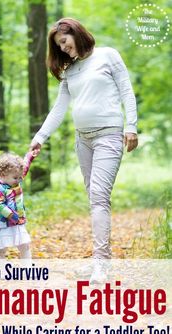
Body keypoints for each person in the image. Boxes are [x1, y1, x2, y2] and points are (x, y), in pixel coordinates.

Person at [30, 18, 138, 279]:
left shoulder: (108, 56)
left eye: (65, 42)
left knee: (99, 196)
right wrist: (40, 137)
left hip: (109, 136)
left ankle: (101, 264)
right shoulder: (70, 70)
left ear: (76, 34)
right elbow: (59, 108)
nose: (64, 49)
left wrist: (131, 126)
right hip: (83, 140)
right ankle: (101, 259)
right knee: (94, 199)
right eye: (60, 47)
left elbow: (126, 90)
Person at [0, 151, 38, 260]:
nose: (19, 180)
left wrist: (30, 155)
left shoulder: (15, 179)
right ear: (3, 175)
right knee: (1, 249)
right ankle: (0, 272)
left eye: (20, 177)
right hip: (3, 224)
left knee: (25, 246)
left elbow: (25, 166)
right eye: (16, 178)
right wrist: (11, 215)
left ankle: (27, 270)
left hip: (18, 222)